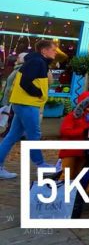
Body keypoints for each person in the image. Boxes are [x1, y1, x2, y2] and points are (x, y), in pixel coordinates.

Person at [0, 40, 58, 179]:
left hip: (24, 102)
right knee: (34, 135)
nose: (55, 52)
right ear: (44, 51)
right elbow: (25, 81)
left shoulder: (37, 61)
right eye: (53, 49)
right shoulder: (37, 62)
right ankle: (41, 164)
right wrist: (38, 93)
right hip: (27, 103)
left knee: (12, 136)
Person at [58, 91, 89, 178]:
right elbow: (65, 131)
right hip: (70, 150)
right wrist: (84, 131)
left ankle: (74, 190)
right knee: (67, 175)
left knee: (79, 175)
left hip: (84, 151)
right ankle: (62, 190)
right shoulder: (73, 116)